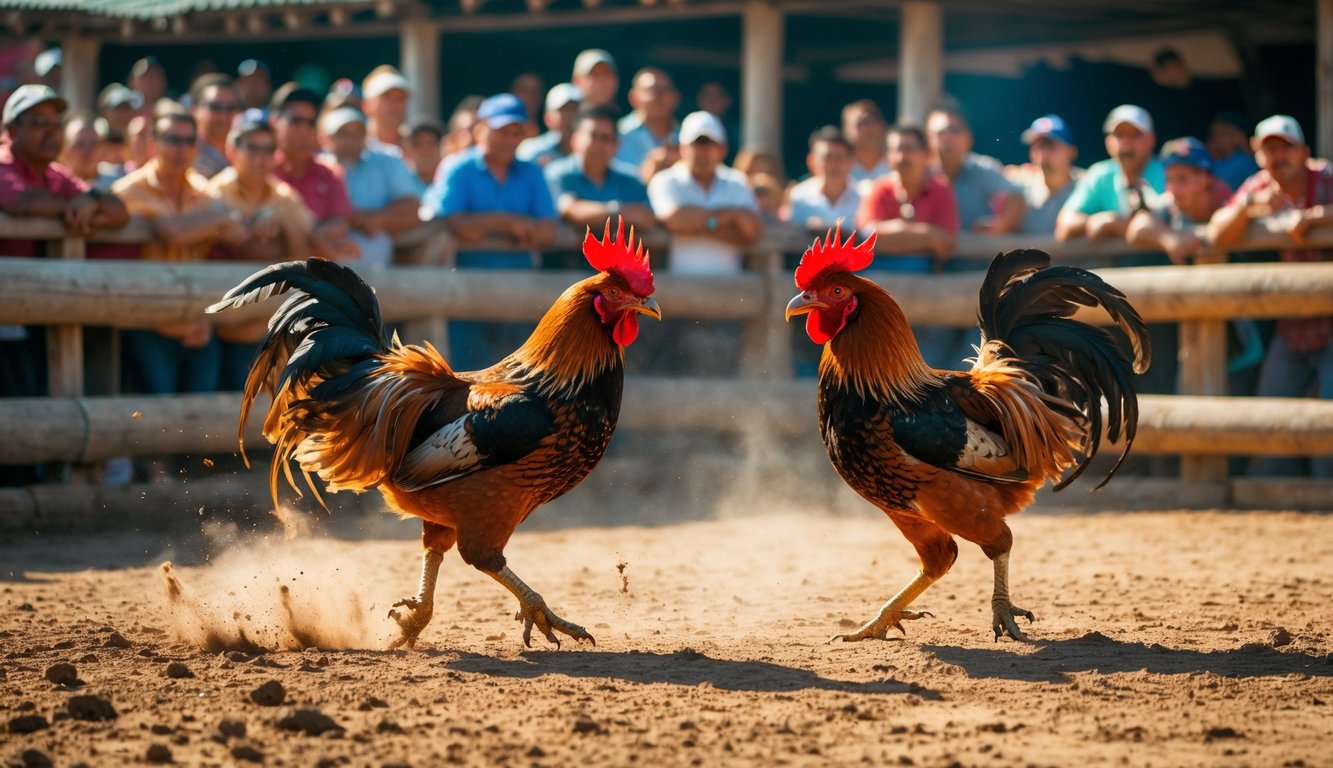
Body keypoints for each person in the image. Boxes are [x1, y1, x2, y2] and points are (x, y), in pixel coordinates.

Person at [0, 84, 129, 484]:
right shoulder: (5, 164)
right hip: (8, 306)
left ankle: (31, 485)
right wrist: (76, 206)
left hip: (31, 312)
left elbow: (119, 211)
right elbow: (19, 203)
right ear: (12, 130)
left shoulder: (54, 174)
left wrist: (89, 201)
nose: (50, 131)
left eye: (55, 124)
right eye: (38, 122)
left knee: (29, 393)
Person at [1208, 115, 1333, 477]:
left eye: (1286, 149)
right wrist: (1249, 207)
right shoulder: (1258, 186)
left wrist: (1317, 218)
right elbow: (1217, 234)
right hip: (1292, 324)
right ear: (1258, 155)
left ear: (1304, 152)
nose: (1279, 157)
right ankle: (1276, 496)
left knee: (1328, 428)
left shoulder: (1325, 178)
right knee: (1270, 421)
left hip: (1331, 322)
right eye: (1270, 150)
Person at [111, 111, 241, 400]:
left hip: (198, 324)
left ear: (196, 146)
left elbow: (232, 236)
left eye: (188, 141)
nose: (181, 149)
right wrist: (219, 221)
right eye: (172, 140)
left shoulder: (204, 192)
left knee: (200, 419)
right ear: (153, 144)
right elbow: (169, 232)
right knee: (159, 415)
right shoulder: (128, 190)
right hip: (146, 323)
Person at [426, 92, 557, 371]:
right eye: (502, 131)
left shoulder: (531, 172)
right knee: (464, 377)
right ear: (480, 128)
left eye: (516, 132)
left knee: (519, 379)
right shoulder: (458, 168)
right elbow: (459, 226)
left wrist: (485, 225)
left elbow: (547, 231)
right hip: (464, 297)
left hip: (520, 297)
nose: (510, 139)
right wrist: (509, 223)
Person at [206, 112, 316, 390]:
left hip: (274, 331)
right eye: (252, 148)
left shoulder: (283, 195)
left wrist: (281, 223)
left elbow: (307, 254)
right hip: (223, 330)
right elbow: (246, 251)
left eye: (268, 149)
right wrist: (278, 241)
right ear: (232, 151)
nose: (261, 157)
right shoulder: (213, 193)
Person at [647, 110, 760, 374]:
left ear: (722, 148)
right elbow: (674, 219)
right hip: (676, 302)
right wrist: (730, 217)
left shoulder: (737, 181)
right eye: (697, 143)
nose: (702, 151)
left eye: (708, 144)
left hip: (729, 301)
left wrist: (700, 225)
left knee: (729, 373)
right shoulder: (666, 180)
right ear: (683, 147)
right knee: (675, 374)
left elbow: (753, 231)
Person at [855, 123, 959, 367]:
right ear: (888, 156)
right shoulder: (879, 189)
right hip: (879, 306)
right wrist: (926, 235)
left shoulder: (940, 189)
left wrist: (895, 236)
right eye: (897, 150)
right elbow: (870, 236)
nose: (903, 156)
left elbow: (946, 243)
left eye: (910, 149)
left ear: (926, 154)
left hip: (929, 303)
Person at [319, 106, 421, 270]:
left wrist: (379, 217)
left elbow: (412, 208)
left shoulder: (387, 162)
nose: (351, 140)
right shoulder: (314, 167)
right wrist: (351, 218)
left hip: (378, 277)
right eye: (343, 133)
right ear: (327, 138)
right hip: (323, 278)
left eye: (357, 133)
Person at [269, 82, 359, 261]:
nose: (304, 130)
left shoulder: (330, 172)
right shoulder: (261, 168)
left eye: (310, 123)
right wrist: (314, 236)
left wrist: (305, 235)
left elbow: (341, 221)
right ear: (274, 122)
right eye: (295, 121)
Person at [1055, 104, 1165, 242]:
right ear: (1108, 142)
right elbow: (1064, 223)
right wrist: (1093, 221)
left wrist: (1113, 224)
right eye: (1119, 135)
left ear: (1151, 140)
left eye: (1134, 134)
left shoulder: (1169, 172)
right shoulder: (1100, 174)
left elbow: (1175, 226)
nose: (1126, 143)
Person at [544, 104, 654, 233]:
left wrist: (597, 215)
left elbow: (645, 219)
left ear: (616, 145)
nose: (599, 145)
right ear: (575, 139)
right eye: (594, 136)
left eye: (606, 138)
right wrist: (620, 212)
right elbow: (571, 211)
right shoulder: (557, 174)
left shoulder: (631, 179)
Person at [1127, 137, 1230, 264]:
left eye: (1182, 179)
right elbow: (1137, 227)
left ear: (1206, 177)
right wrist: (1170, 239)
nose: (1173, 188)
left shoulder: (1226, 200)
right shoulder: (1171, 202)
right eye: (1169, 180)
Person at [926, 101, 1023, 235]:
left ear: (968, 137)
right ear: (928, 139)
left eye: (954, 130)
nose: (947, 137)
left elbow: (1016, 198)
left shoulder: (983, 168)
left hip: (976, 255)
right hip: (930, 255)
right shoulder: (921, 173)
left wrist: (999, 226)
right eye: (941, 132)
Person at [1006, 114, 1083, 235]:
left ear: (1071, 151)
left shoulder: (1088, 185)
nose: (1042, 152)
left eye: (1049, 144)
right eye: (1036, 146)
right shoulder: (1019, 183)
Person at [786, 126, 860, 231]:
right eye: (827, 157)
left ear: (851, 161)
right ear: (811, 161)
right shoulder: (798, 197)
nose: (835, 164)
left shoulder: (865, 194)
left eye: (840, 157)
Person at [616, 67, 680, 182]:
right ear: (633, 97)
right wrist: (646, 172)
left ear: (676, 97)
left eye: (666, 90)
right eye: (653, 90)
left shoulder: (688, 138)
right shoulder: (615, 134)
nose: (659, 96)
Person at [188, 73, 241, 179]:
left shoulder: (249, 152)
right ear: (194, 111)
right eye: (215, 107)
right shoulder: (182, 153)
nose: (223, 116)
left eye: (230, 108)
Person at [517, 82, 582, 168]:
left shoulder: (598, 150)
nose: (573, 115)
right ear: (548, 118)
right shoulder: (531, 151)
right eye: (565, 110)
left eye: (576, 109)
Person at [361, 66, 412, 157]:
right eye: (387, 97)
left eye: (401, 98)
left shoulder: (419, 147)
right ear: (367, 105)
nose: (395, 104)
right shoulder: (355, 149)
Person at [1207, 111, 1260, 191]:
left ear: (1239, 137)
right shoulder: (1219, 160)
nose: (1216, 138)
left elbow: (1210, 187)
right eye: (1214, 134)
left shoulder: (1243, 162)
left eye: (1223, 134)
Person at [842, 99, 889, 187]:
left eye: (874, 120)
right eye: (861, 122)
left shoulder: (898, 167)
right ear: (846, 131)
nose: (869, 127)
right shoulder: (838, 170)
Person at [58, 113, 112, 189]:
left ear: (103, 149)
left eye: (94, 143)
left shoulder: (120, 181)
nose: (87, 150)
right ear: (65, 151)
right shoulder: (56, 187)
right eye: (79, 144)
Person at [404, 116, 446, 192]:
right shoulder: (400, 183)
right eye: (417, 144)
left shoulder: (450, 179)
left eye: (430, 143)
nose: (425, 151)